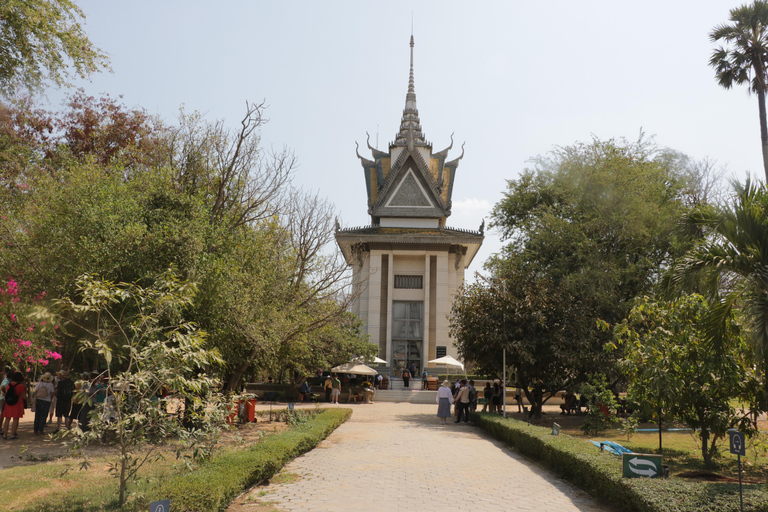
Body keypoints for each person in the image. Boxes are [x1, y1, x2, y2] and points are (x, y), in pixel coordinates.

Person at [2, 371, 26, 439]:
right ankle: (12, 434)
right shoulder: (21, 386)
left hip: (9, 403)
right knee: (15, 419)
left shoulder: (9, 385)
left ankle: (5, 434)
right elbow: (23, 396)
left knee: (7, 419)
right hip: (17, 403)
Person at [0, 368, 11, 433]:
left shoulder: (6, 380)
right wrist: (5, 393)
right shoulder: (6, 382)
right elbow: (2, 387)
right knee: (2, 414)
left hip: (3, 398)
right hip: (3, 399)